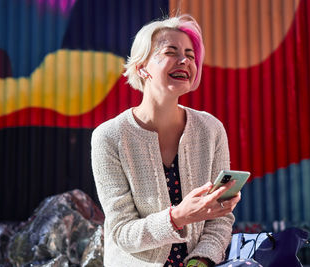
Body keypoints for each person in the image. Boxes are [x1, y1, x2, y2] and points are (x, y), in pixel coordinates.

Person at [91, 14, 241, 267]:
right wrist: (179, 217)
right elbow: (122, 233)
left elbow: (220, 221)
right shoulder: (109, 136)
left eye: (191, 55)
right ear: (142, 67)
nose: (185, 61)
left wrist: (201, 261)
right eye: (171, 52)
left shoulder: (211, 129)